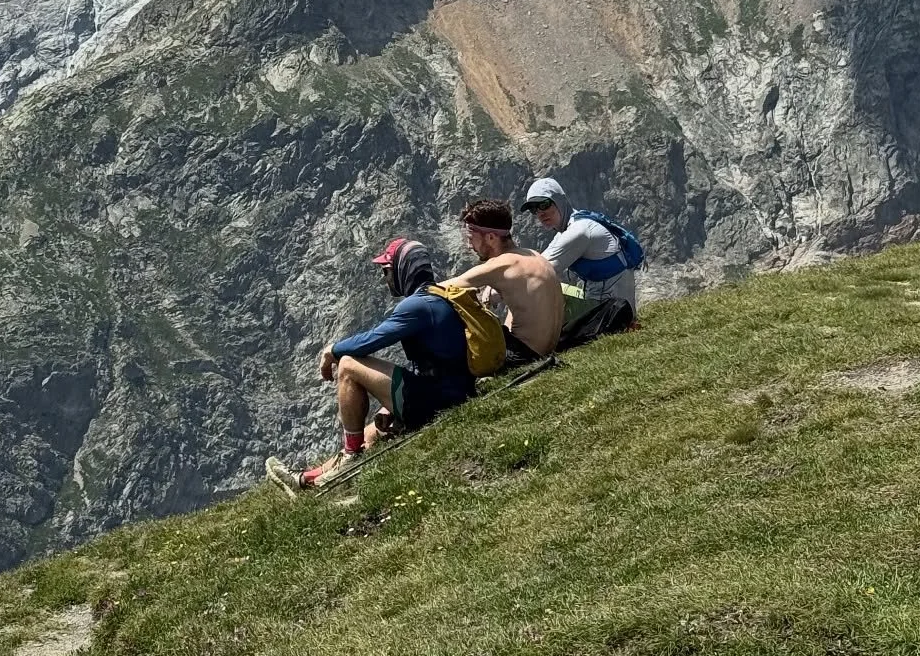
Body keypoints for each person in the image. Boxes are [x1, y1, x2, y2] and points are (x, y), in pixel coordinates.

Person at [267, 237, 475, 493]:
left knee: (348, 365)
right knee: (368, 433)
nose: (384, 278)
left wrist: (332, 350)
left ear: (402, 270)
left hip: (438, 399)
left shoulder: (417, 305)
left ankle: (350, 457)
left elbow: (372, 340)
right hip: (451, 392)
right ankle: (305, 482)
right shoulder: (437, 297)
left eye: (387, 271)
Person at [520, 176, 643, 336]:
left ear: (560, 201)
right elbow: (537, 262)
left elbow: (538, 271)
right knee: (553, 290)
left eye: (544, 204)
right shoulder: (572, 227)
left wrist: (498, 290)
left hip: (613, 312)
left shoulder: (579, 231)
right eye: (534, 209)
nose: (540, 213)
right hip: (602, 300)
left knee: (544, 290)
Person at [450, 198, 564, 365]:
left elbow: (442, 289)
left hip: (523, 356)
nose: (469, 245)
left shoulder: (501, 264)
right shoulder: (532, 255)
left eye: (471, 237)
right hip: (547, 348)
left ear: (490, 237)